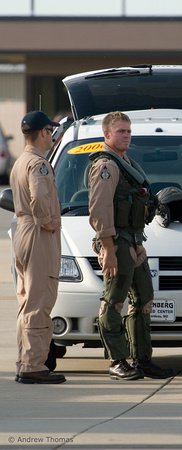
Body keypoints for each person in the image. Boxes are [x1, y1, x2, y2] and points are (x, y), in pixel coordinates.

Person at [89, 111, 175, 381]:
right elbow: (100, 211)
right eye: (120, 132)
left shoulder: (127, 163)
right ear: (107, 135)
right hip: (118, 242)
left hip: (135, 240)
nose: (126, 135)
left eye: (128, 131)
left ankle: (142, 359)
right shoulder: (107, 165)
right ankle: (117, 360)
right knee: (113, 302)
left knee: (144, 301)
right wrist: (109, 250)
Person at [10, 110, 66, 384]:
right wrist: (47, 221)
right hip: (37, 233)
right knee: (39, 300)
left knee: (27, 300)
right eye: (51, 131)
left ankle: (26, 361)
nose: (53, 136)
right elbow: (40, 195)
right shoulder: (38, 164)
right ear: (44, 132)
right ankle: (33, 365)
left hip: (23, 231)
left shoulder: (21, 161)